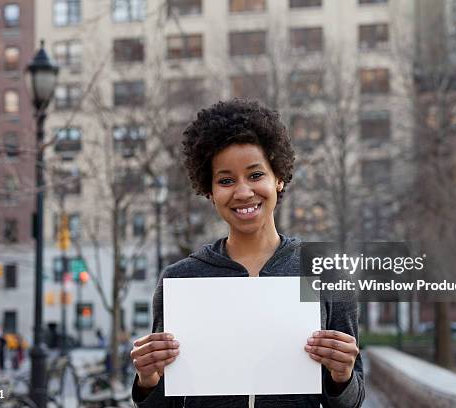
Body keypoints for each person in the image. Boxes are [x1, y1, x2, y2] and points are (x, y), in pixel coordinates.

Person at [130, 100, 365, 407]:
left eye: (255, 175)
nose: (243, 192)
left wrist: (343, 375)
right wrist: (147, 381)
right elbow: (164, 403)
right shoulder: (180, 280)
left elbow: (352, 401)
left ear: (278, 178)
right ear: (210, 192)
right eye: (226, 180)